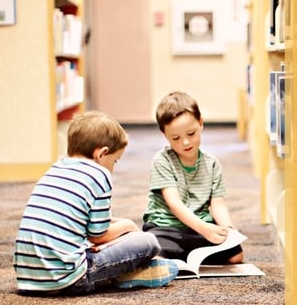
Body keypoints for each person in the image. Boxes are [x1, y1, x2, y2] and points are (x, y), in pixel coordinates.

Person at [13, 111, 179, 294]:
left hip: (27, 278)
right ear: (102, 154)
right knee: (148, 241)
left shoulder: (56, 168)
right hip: (69, 278)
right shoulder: (99, 175)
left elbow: (78, 220)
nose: (113, 167)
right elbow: (98, 236)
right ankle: (126, 275)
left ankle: (124, 273)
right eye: (115, 161)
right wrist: (128, 226)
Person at [142, 91, 244, 264]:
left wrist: (227, 227)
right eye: (176, 138)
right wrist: (203, 228)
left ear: (201, 123)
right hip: (166, 226)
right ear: (164, 134)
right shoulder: (162, 160)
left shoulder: (212, 163)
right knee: (154, 251)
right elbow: (174, 204)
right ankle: (176, 254)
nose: (185, 143)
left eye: (191, 134)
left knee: (235, 256)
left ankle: (184, 254)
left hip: (200, 226)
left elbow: (217, 203)